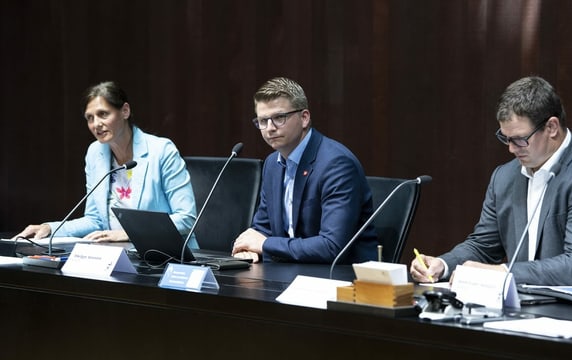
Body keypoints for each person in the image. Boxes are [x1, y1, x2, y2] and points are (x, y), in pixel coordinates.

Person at [411, 76, 572, 289]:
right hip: (528, 307)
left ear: (551, 127)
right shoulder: (505, 177)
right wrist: (443, 264)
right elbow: (483, 245)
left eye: (520, 139)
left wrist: (501, 272)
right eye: (506, 139)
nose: (511, 149)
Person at [16, 81, 198, 246]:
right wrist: (50, 228)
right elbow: (95, 220)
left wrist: (127, 234)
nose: (96, 124)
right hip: (118, 251)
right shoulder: (95, 153)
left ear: (125, 111)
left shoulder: (161, 150)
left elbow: (186, 219)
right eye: (90, 118)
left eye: (103, 114)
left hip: (166, 255)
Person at [232, 77, 377, 263]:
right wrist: (247, 248)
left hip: (341, 279)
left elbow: (331, 246)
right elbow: (262, 229)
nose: (269, 128)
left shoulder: (336, 164)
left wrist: (265, 245)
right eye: (262, 121)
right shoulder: (272, 163)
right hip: (290, 272)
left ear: (304, 118)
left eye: (279, 118)